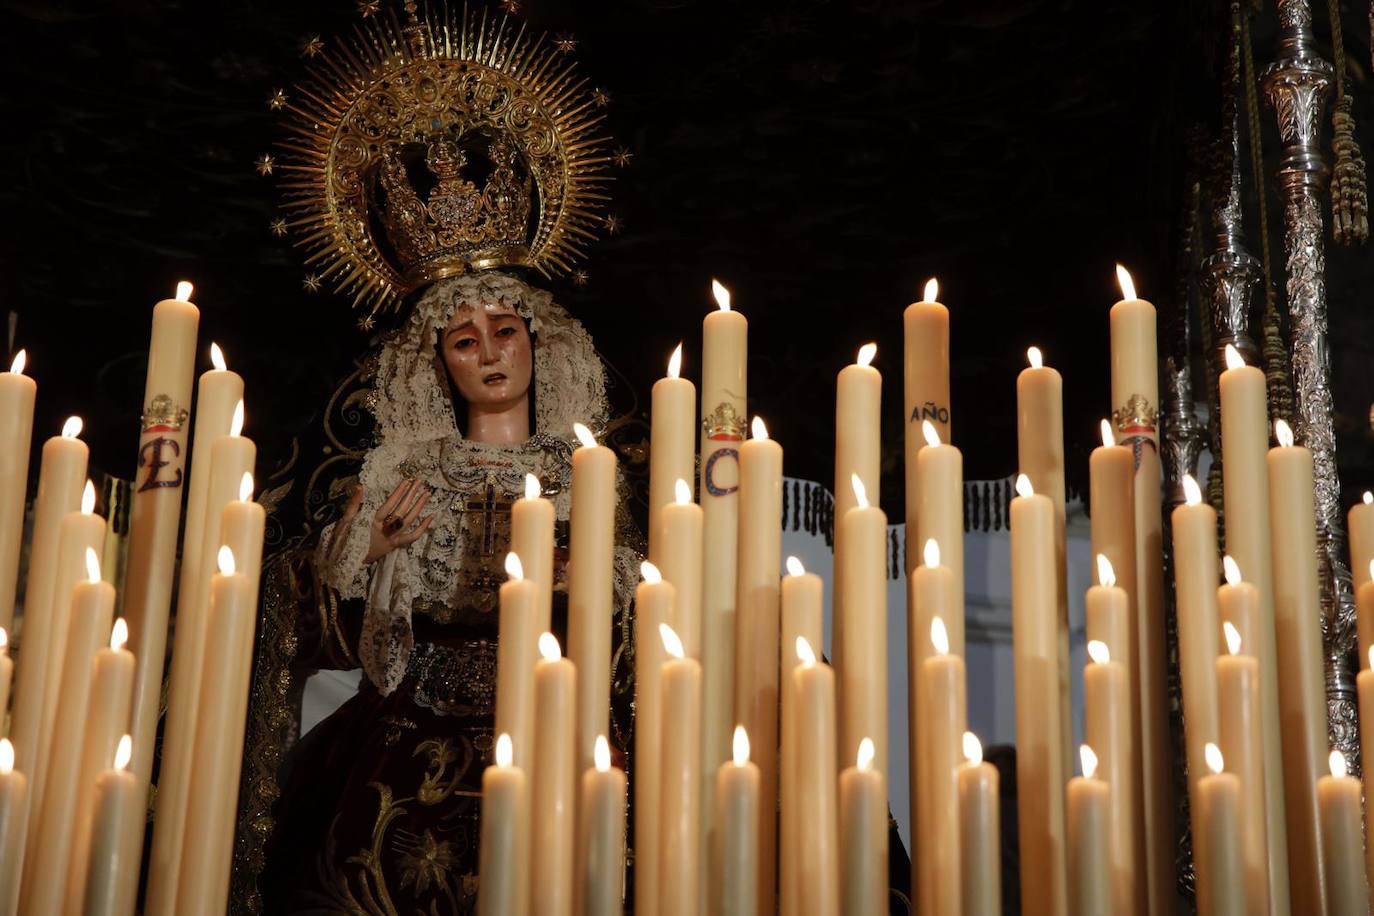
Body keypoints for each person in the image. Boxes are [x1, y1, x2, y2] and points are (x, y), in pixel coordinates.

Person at [248, 6, 635, 911]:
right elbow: (329, 623)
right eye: (463, 341)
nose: (490, 352)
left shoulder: (587, 468)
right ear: (436, 363)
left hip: (557, 712)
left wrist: (596, 576)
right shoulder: (401, 472)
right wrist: (371, 556)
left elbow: (635, 600)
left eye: (506, 330)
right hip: (411, 722)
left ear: (542, 345)